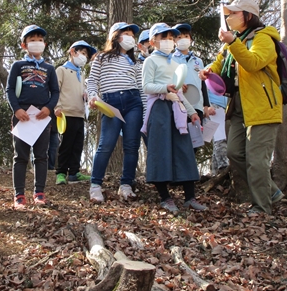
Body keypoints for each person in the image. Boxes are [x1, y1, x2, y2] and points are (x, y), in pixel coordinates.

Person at [200, 0, 283, 216]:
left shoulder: (264, 38)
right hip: (237, 106)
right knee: (234, 153)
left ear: (248, 15)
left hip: (262, 105)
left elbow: (253, 62)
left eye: (234, 13)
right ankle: (271, 192)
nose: (229, 18)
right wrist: (209, 71)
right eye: (228, 14)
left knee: (257, 161)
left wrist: (232, 42)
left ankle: (262, 207)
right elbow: (219, 63)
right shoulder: (233, 41)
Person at [141, 23, 206, 214]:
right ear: (153, 42)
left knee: (184, 149)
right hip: (159, 108)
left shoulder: (177, 64)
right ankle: (165, 197)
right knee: (160, 150)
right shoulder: (150, 61)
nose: (169, 42)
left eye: (171, 38)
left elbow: (180, 91)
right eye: (164, 38)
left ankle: (189, 197)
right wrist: (165, 88)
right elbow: (146, 87)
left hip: (177, 108)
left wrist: (192, 111)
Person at [87, 22, 144, 203]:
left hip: (133, 102)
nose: (130, 38)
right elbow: (92, 81)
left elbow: (141, 87)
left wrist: (145, 110)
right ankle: (95, 185)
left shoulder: (134, 61)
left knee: (131, 145)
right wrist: (93, 96)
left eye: (132, 35)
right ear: (115, 37)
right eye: (126, 33)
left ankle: (126, 185)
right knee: (106, 144)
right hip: (110, 103)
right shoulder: (101, 58)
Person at [6, 25, 60, 209]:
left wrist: (49, 108)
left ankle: (39, 193)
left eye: (40, 39)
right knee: (20, 156)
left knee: (41, 156)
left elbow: (55, 91)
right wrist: (16, 109)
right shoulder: (18, 65)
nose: (36, 43)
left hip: (41, 117)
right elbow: (10, 89)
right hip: (22, 116)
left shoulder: (49, 68)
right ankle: (19, 195)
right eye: (32, 40)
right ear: (24, 45)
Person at [55, 40, 97, 185]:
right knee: (66, 144)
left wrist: (85, 96)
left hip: (80, 114)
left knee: (77, 145)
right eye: (83, 53)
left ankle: (74, 172)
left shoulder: (81, 74)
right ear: (73, 52)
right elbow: (55, 90)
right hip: (66, 113)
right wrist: (57, 107)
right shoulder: (62, 70)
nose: (84, 57)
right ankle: (60, 172)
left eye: (86, 54)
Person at [172, 23, 210, 123]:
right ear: (174, 41)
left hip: (197, 104)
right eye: (179, 37)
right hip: (179, 103)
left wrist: (206, 105)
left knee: (196, 136)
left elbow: (203, 83)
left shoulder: (198, 61)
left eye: (186, 36)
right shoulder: (171, 59)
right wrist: (177, 85)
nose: (183, 39)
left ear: (191, 39)